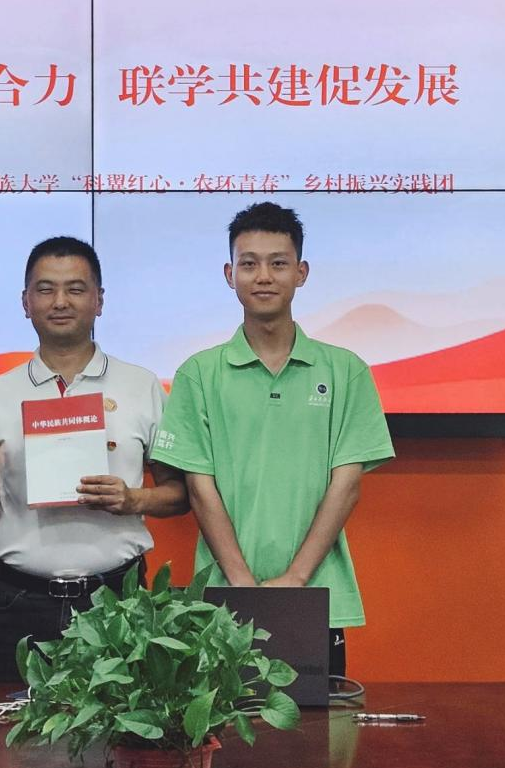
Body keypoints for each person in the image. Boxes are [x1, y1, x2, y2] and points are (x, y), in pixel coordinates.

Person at [150, 202, 395, 676]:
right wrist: (242, 584)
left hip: (316, 596)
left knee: (318, 722)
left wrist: (295, 579)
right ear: (230, 274)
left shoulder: (346, 371)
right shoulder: (198, 374)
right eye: (249, 263)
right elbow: (200, 489)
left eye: (278, 263)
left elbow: (347, 485)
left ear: (301, 273)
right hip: (223, 599)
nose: (263, 276)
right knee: (223, 723)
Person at [0, 236, 188, 683]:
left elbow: (179, 494)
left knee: (120, 724)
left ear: (99, 300)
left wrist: (133, 499)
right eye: (45, 289)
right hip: (19, 603)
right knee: (13, 726)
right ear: (25, 302)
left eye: (76, 289)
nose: (60, 301)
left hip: (117, 600)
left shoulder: (141, 386)